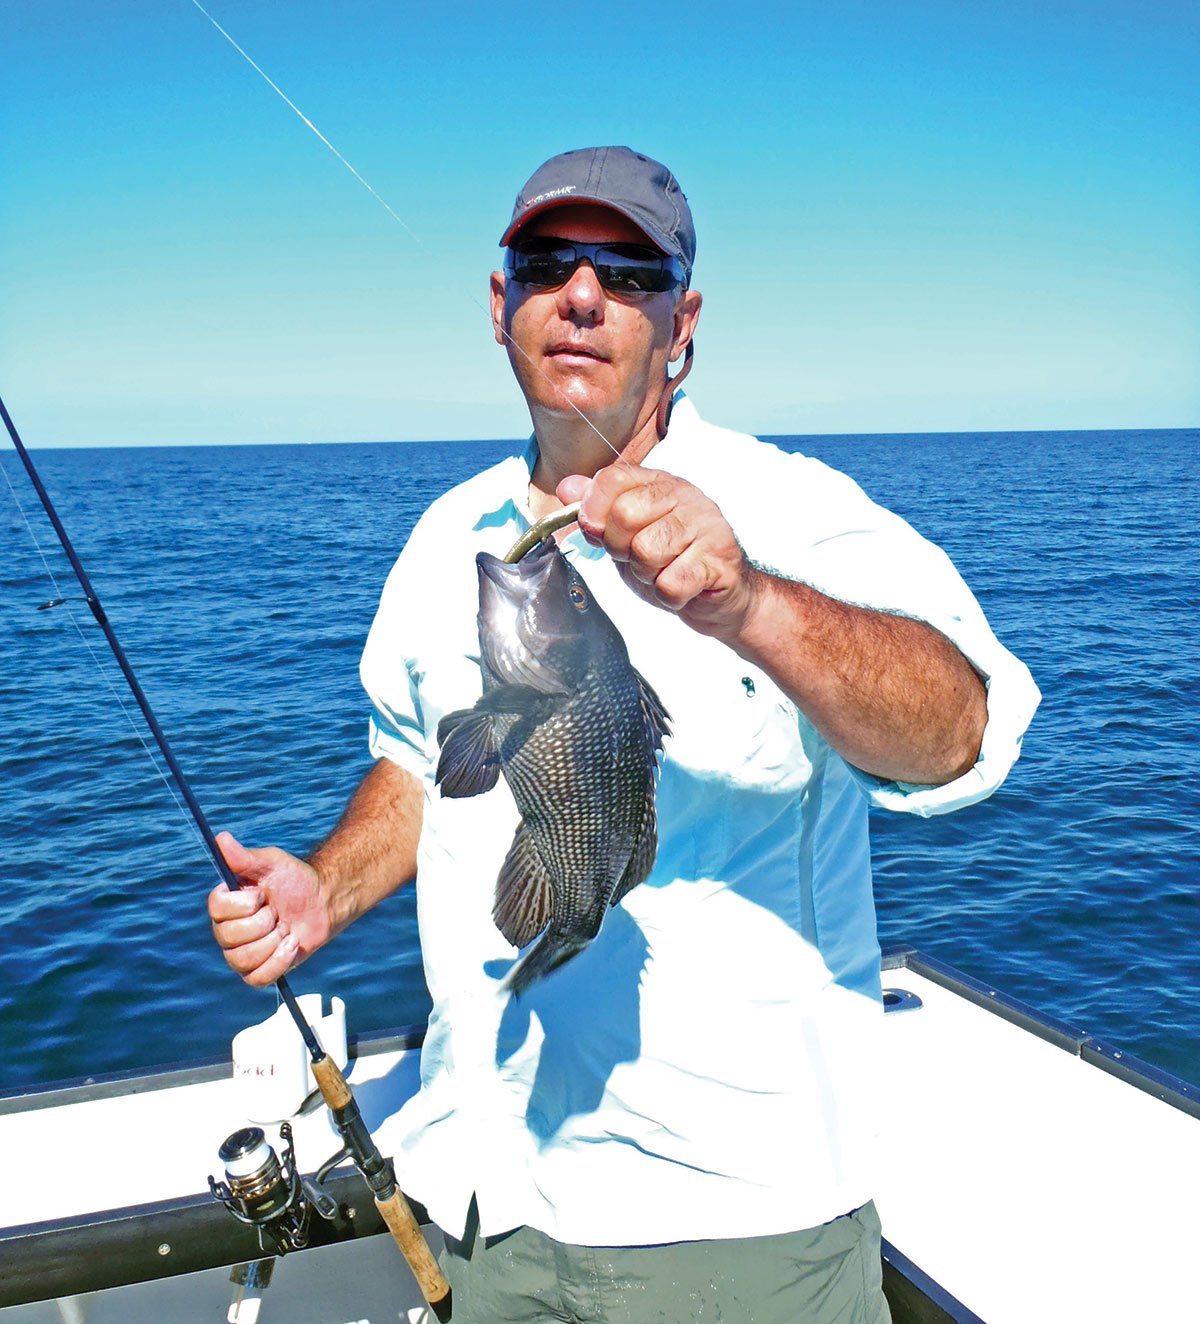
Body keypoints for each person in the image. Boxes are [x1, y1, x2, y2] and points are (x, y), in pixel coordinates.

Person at [210, 146, 1040, 1323]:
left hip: (735, 1224)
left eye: (630, 271)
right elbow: (417, 762)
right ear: (502, 306)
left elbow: (969, 734)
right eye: (547, 264)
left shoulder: (799, 510)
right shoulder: (445, 536)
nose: (585, 294)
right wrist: (326, 891)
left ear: (681, 320)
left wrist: (754, 602)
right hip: (485, 1192)